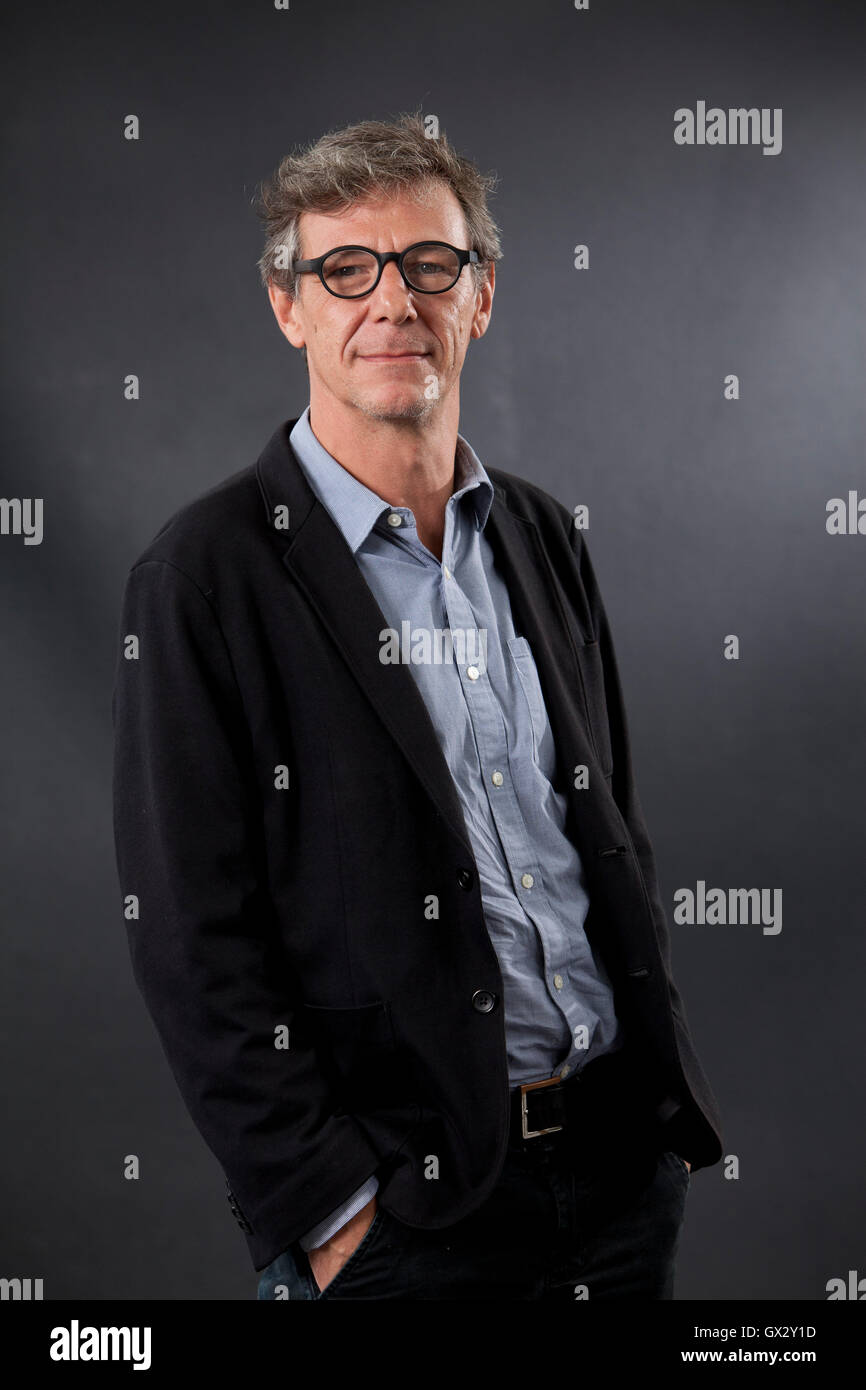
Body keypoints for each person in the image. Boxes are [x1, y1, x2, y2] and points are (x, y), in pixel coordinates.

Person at [112, 112, 723, 1301]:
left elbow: (606, 839)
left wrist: (653, 1126)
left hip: (615, 1177)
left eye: (427, 265)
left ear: (478, 295)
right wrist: (330, 1210)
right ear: (289, 307)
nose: (391, 302)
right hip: (407, 1217)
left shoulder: (543, 537)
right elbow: (190, 938)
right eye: (345, 269)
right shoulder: (205, 575)